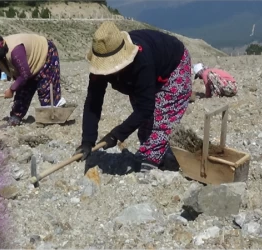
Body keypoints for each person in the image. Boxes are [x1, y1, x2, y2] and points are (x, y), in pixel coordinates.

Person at [73, 21, 192, 172]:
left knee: (161, 119)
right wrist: (87, 141)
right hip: (139, 77)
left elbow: (145, 108)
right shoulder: (101, 67)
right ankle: (158, 154)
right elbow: (93, 103)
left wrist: (115, 135)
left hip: (174, 66)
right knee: (146, 127)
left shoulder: (142, 60)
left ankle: (152, 162)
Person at [0, 32, 66, 126]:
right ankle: (16, 116)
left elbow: (25, 74)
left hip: (46, 55)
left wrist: (11, 89)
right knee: (23, 90)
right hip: (27, 67)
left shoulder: (15, 50)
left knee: (46, 91)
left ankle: (54, 112)